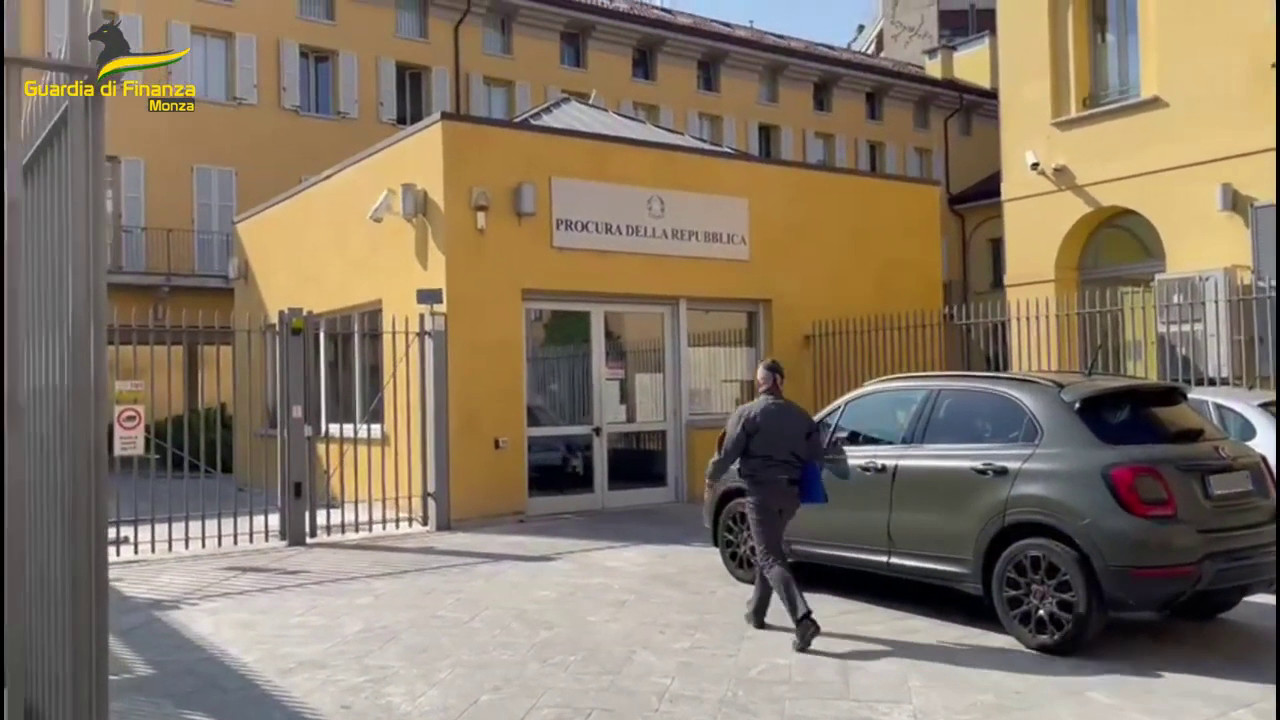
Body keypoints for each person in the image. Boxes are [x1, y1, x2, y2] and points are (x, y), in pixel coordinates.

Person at [706, 358, 824, 652]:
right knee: (768, 549)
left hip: (761, 493)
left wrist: (711, 478)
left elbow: (727, 453)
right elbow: (816, 457)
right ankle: (756, 612)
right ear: (780, 382)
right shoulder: (802, 417)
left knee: (769, 556)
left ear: (761, 383)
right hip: (791, 494)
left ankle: (803, 619)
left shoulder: (747, 414)